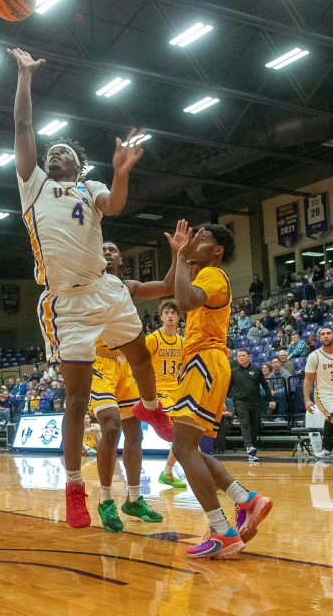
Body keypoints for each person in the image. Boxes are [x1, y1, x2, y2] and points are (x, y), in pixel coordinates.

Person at [9, 47, 173, 529]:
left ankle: (150, 409)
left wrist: (122, 173)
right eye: (52, 151)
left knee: (140, 356)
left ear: (79, 166)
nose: (55, 153)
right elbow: (23, 131)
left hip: (106, 288)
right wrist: (25, 80)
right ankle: (75, 489)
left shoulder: (90, 187)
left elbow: (116, 206)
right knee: (77, 399)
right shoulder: (33, 184)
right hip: (66, 303)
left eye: (65, 152)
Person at [169, 224, 272, 559]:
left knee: (183, 450)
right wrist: (180, 259)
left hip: (204, 361)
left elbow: (182, 302)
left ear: (217, 252)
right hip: (206, 363)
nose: (196, 243)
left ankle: (221, 531)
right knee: (190, 449)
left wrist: (184, 259)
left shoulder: (213, 274)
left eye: (204, 240)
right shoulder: (203, 275)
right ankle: (246, 499)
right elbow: (174, 291)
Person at [90, 233, 187, 532]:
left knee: (136, 436)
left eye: (113, 249)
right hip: (98, 362)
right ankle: (106, 500)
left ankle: (134, 499)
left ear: (120, 260)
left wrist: (177, 253)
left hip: (127, 365)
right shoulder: (86, 284)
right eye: (102, 248)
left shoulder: (127, 287)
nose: (107, 251)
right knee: (110, 428)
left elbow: (168, 286)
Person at [146, 300, 187, 489]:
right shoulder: (154, 338)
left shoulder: (181, 341)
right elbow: (141, 365)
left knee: (185, 435)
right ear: (161, 317)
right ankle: (202, 472)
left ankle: (168, 472)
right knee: (182, 433)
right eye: (166, 313)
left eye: (173, 312)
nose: (170, 315)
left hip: (177, 392)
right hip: (160, 393)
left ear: (178, 317)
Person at [229, 349, 270, 461]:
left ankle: (252, 451)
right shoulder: (233, 372)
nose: (241, 357)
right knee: (245, 423)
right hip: (240, 402)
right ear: (237, 358)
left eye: (243, 355)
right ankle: (248, 445)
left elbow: (265, 385)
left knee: (255, 425)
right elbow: (228, 388)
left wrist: (270, 399)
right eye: (239, 356)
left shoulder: (256, 370)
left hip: (255, 402)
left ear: (249, 357)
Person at [304, 326, 333, 459]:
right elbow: (308, 380)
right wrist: (307, 400)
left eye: (329, 333)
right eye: (323, 334)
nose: (326, 336)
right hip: (324, 395)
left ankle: (327, 448)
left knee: (330, 419)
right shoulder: (314, 356)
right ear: (319, 338)